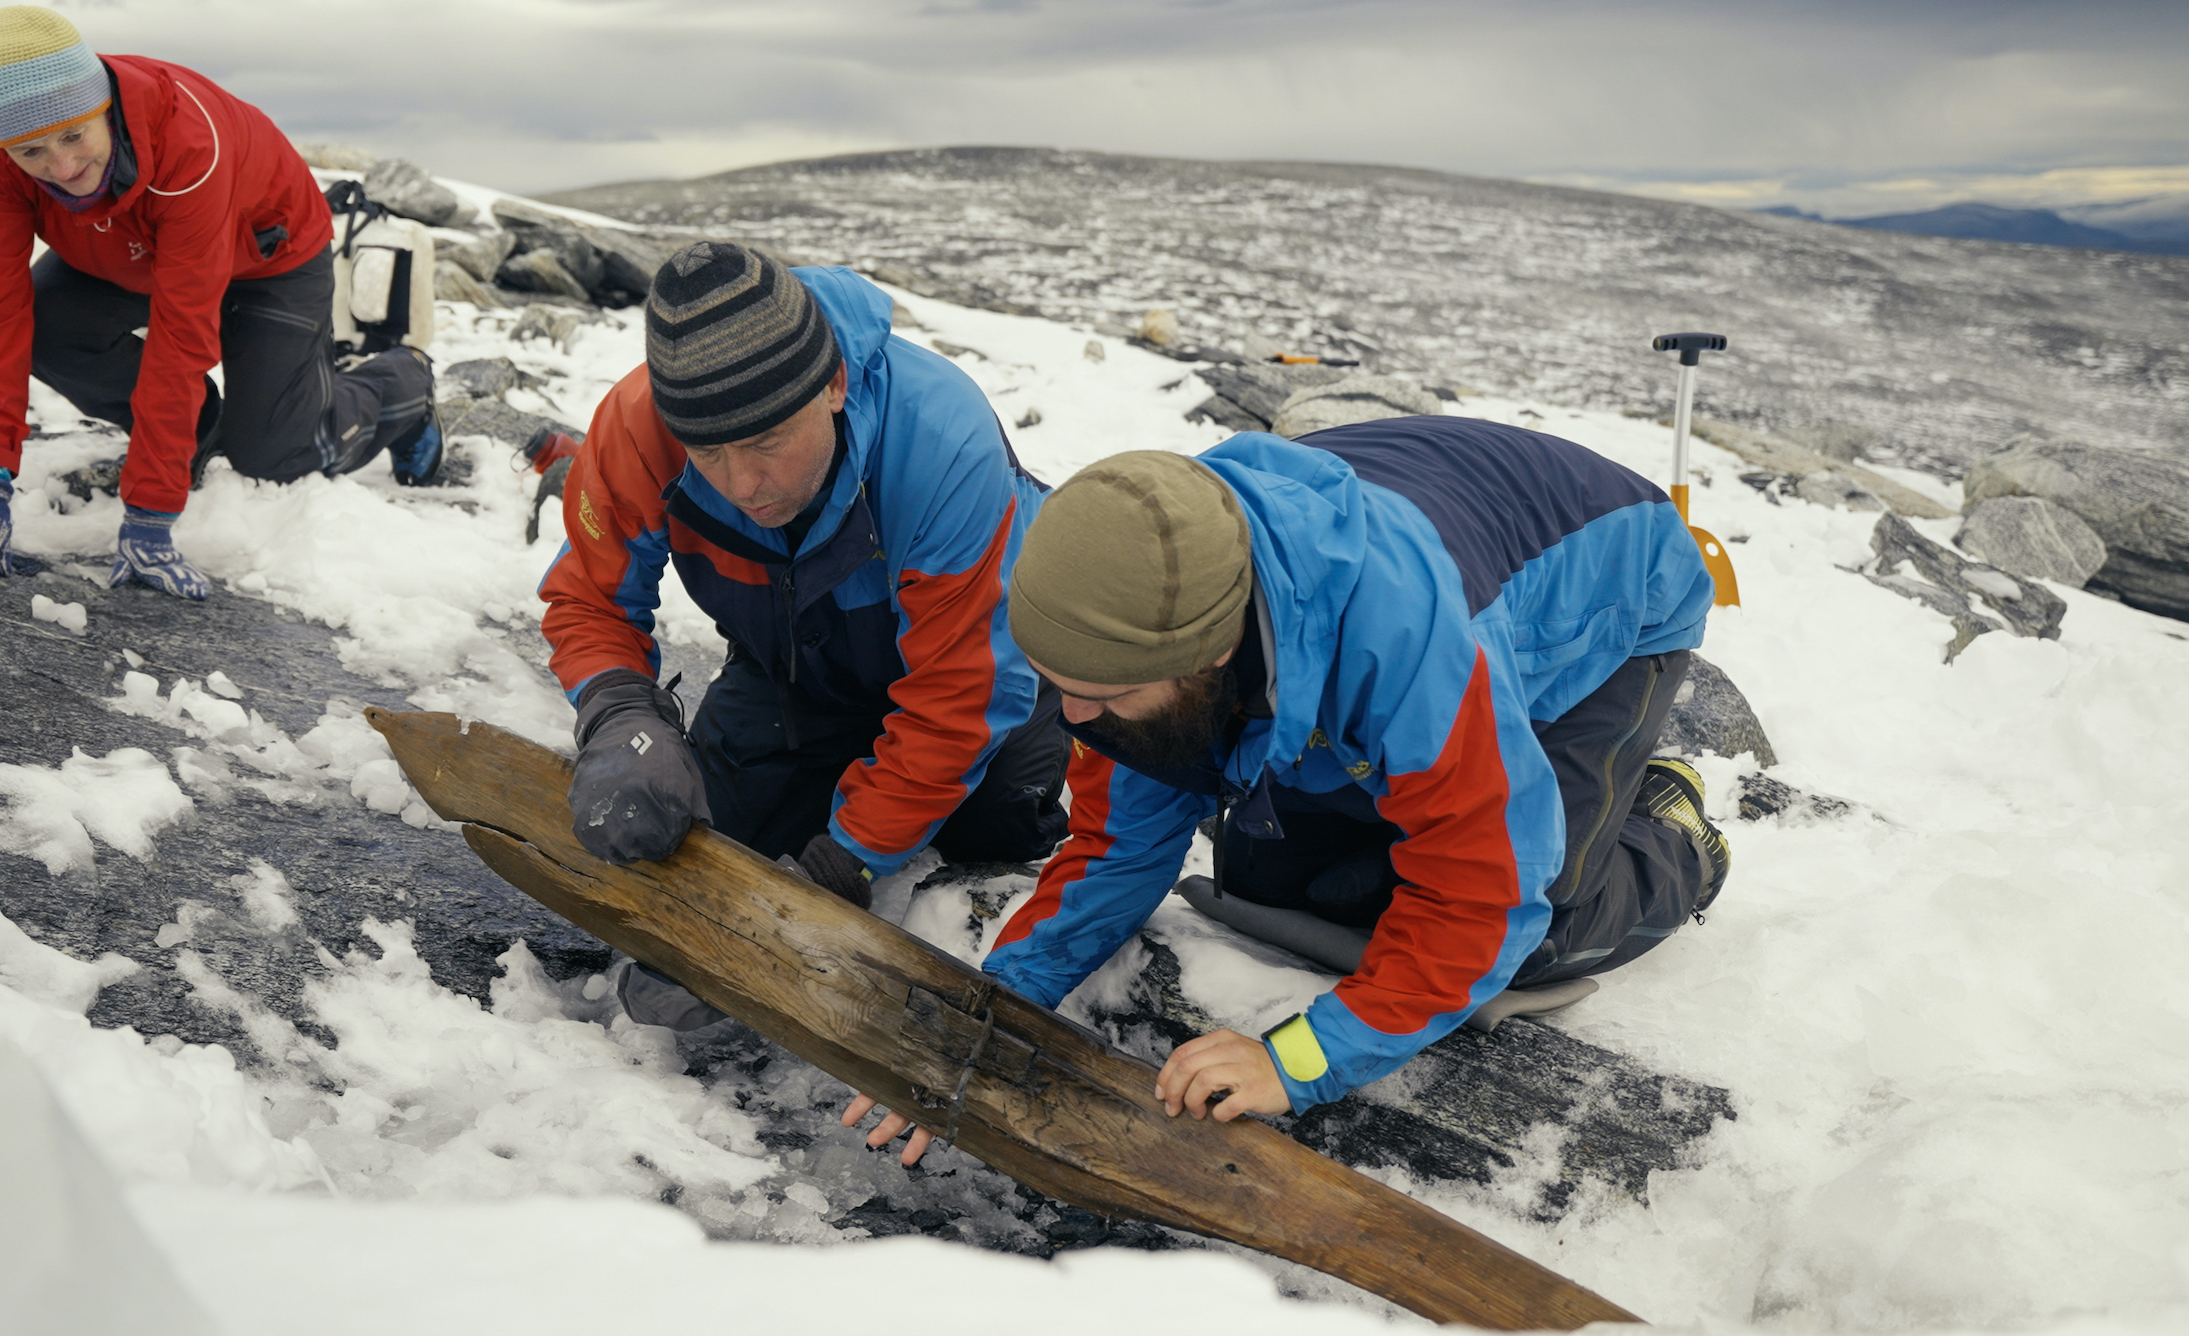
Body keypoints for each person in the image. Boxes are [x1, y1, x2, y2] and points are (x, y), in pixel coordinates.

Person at [853, 416, 1730, 1161]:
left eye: (1107, 696)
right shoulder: (1131, 611)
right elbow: (1116, 846)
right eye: (1059, 684)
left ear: (1211, 657)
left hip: (1609, 591)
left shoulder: (1414, 649)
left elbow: (1484, 900)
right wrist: (995, 1005)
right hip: (1404, 568)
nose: (1076, 717)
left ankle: (1670, 825)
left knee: (1535, 931)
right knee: (1267, 887)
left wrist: (1296, 1060)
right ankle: (1461, 789)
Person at [539, 240, 1068, 1029]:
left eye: (765, 444)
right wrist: (618, 715)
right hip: (796, 666)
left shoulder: (938, 439)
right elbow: (589, 598)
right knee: (681, 843)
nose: (743, 486)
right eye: (709, 452)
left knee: (992, 832)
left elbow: (960, 698)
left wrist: (836, 869)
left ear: (833, 386)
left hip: (992, 661)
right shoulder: (640, 425)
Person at [0, 6, 441, 599]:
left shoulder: (186, 144)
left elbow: (181, 339)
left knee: (273, 456)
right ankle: (196, 429)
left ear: (102, 105)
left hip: (265, 257)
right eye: (32, 153)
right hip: (117, 245)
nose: (64, 168)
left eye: (74, 135)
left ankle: (404, 381)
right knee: (43, 328)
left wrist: (150, 511)